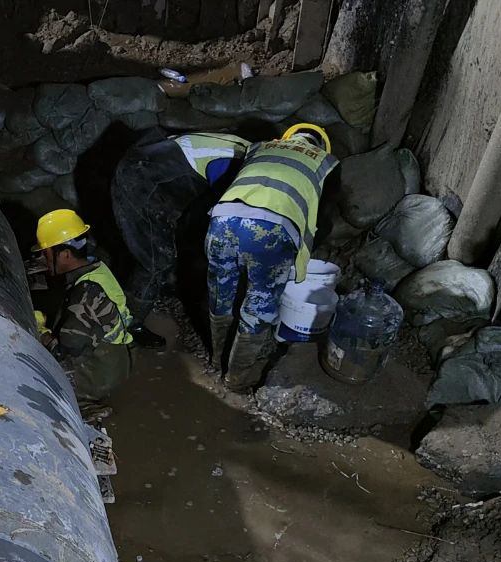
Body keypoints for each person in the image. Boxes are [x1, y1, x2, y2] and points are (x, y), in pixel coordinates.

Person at [205, 123, 339, 391]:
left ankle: (217, 361)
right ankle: (235, 379)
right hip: (272, 230)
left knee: (221, 294)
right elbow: (323, 219)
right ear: (321, 145)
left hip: (221, 219)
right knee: (259, 305)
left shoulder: (259, 147)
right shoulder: (326, 163)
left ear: (288, 137)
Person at [111, 130, 250, 348]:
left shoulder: (252, 151)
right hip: (141, 177)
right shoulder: (238, 169)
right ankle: (127, 325)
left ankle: (158, 285)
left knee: (175, 238)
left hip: (155, 162)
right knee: (156, 260)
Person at [35, 209, 134, 410]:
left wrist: (41, 331)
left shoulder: (84, 294)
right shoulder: (98, 268)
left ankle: (87, 407)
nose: (43, 261)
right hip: (121, 358)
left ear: (65, 254)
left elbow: (62, 351)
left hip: (101, 375)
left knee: (42, 376)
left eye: (46, 254)